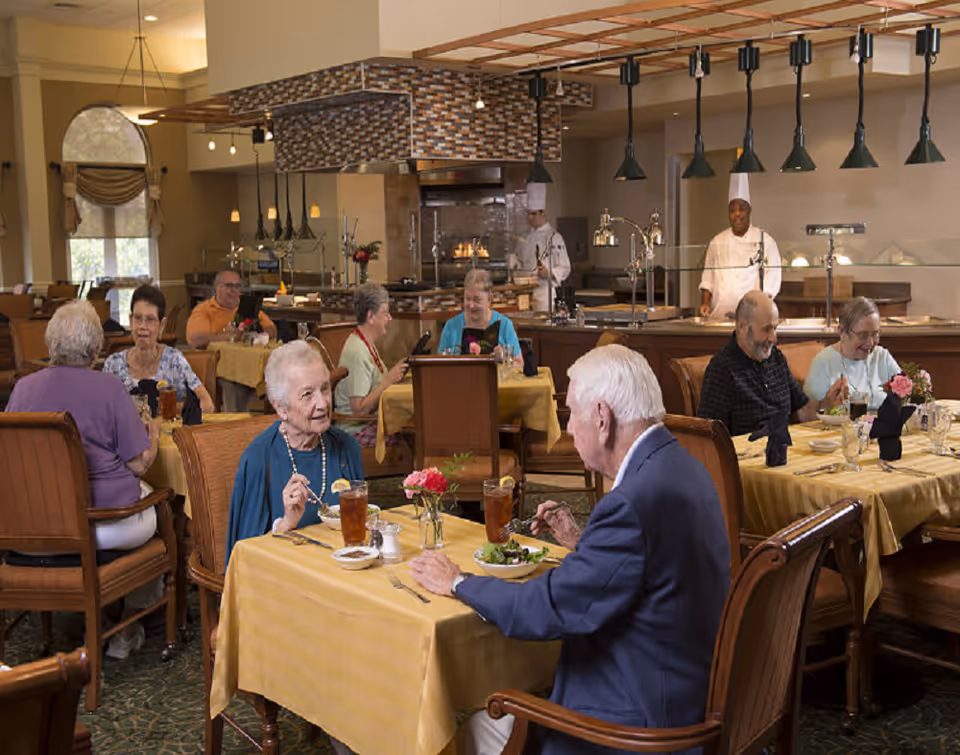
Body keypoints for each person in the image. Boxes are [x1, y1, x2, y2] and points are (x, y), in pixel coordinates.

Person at [410, 344, 731, 755]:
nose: (567, 430)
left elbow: (545, 609)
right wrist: (584, 544)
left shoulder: (630, 504)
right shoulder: (687, 466)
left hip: (642, 726)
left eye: (571, 416)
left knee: (469, 732)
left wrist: (456, 581)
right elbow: (657, 566)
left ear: (601, 418)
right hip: (688, 691)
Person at [5, 300, 162, 660]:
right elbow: (138, 465)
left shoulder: (21, 390)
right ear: (96, 350)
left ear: (51, 346)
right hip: (99, 526)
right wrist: (152, 441)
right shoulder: (109, 388)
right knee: (156, 506)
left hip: (29, 532)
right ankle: (132, 621)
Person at [227, 341, 363, 562]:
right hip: (285, 582)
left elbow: (359, 530)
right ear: (281, 408)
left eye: (325, 388)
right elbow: (245, 562)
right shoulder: (259, 459)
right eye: (307, 394)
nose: (322, 403)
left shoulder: (347, 448)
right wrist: (286, 524)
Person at [698, 290, 845, 437]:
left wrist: (826, 402)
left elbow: (802, 411)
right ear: (742, 327)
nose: (773, 339)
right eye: (766, 329)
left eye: (775, 328)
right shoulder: (721, 370)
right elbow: (709, 439)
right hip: (749, 456)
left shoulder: (776, 358)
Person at [104, 284, 215, 413]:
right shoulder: (113, 365)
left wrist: (168, 409)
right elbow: (100, 410)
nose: (142, 326)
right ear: (130, 321)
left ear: (162, 325)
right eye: (138, 319)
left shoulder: (174, 361)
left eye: (150, 320)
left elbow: (207, 405)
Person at [186, 269, 277, 412]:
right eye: (229, 286)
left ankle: (274, 422)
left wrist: (259, 335)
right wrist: (227, 337)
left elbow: (272, 329)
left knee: (279, 373)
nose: (233, 291)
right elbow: (196, 339)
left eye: (237, 286)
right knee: (234, 383)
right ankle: (234, 424)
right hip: (216, 368)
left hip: (248, 363)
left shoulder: (245, 308)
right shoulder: (204, 310)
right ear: (217, 287)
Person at [333, 283, 408, 447]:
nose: (390, 319)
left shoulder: (365, 343)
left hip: (367, 424)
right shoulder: (358, 352)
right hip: (355, 430)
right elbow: (359, 410)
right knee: (411, 436)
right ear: (371, 316)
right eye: (385, 313)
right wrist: (387, 382)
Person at [699, 174, 782, 321]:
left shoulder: (766, 241)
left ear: (749, 210)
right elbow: (707, 280)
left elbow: (771, 285)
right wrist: (704, 303)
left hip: (752, 321)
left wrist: (758, 310)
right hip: (718, 317)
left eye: (741, 209)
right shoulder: (717, 242)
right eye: (732, 210)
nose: (737, 214)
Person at [805, 297, 901, 412]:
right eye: (863, 335)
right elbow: (808, 416)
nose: (870, 343)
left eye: (875, 334)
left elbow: (906, 395)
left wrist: (919, 384)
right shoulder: (823, 363)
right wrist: (827, 403)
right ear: (842, 332)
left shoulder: (882, 357)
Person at [438, 269, 523, 365]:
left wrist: (504, 360)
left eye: (476, 300)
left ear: (490, 299)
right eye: (467, 299)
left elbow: (520, 364)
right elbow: (439, 366)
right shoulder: (451, 326)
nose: (471, 305)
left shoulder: (505, 325)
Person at [508, 183, 570, 312]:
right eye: (528, 214)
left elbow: (565, 267)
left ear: (544, 213)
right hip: (524, 293)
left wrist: (549, 273)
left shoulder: (554, 237)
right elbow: (518, 263)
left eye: (533, 214)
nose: (530, 218)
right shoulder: (524, 238)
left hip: (544, 293)